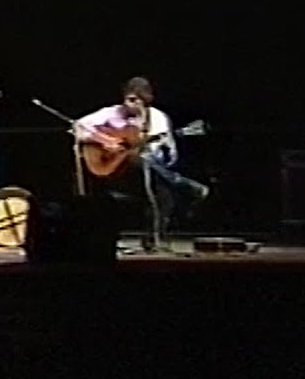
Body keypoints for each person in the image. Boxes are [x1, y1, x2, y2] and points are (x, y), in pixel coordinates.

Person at [73, 76, 209, 251]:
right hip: (117, 171)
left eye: (134, 100)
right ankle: (185, 186)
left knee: (157, 183)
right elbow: (77, 126)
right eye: (127, 99)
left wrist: (149, 143)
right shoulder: (111, 113)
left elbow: (169, 156)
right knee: (157, 180)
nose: (128, 104)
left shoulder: (158, 119)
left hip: (147, 171)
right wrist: (103, 140)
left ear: (145, 100)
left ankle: (154, 240)